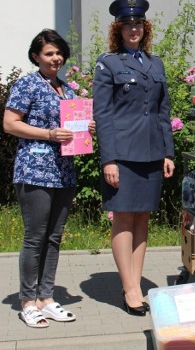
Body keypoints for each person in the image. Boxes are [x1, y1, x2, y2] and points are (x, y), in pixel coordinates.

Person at [4, 29, 95, 327]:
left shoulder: (67, 90)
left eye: (58, 53)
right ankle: (27, 302)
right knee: (35, 238)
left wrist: (86, 129)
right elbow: (10, 124)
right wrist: (49, 134)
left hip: (63, 171)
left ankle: (46, 297)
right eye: (48, 53)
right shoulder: (27, 84)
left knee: (54, 238)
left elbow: (71, 126)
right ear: (36, 57)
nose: (55, 58)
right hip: (35, 170)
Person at [93, 0, 175, 316]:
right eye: (128, 24)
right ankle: (130, 289)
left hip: (152, 154)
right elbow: (103, 114)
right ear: (119, 29)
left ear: (145, 27)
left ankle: (135, 282)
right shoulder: (108, 64)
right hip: (123, 155)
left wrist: (167, 151)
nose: (134, 29)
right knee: (123, 219)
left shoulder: (156, 64)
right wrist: (108, 159)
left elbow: (162, 111)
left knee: (143, 219)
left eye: (138, 23)